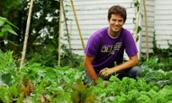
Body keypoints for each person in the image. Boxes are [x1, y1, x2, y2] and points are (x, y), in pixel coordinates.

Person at [84, 5, 142, 83]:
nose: (116, 23)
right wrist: (97, 83)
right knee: (105, 86)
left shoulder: (126, 35)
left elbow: (134, 60)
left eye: (120, 20)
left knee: (138, 71)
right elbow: (87, 63)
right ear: (109, 20)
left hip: (115, 71)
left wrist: (112, 70)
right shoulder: (97, 37)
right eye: (114, 20)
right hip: (97, 71)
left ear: (124, 22)